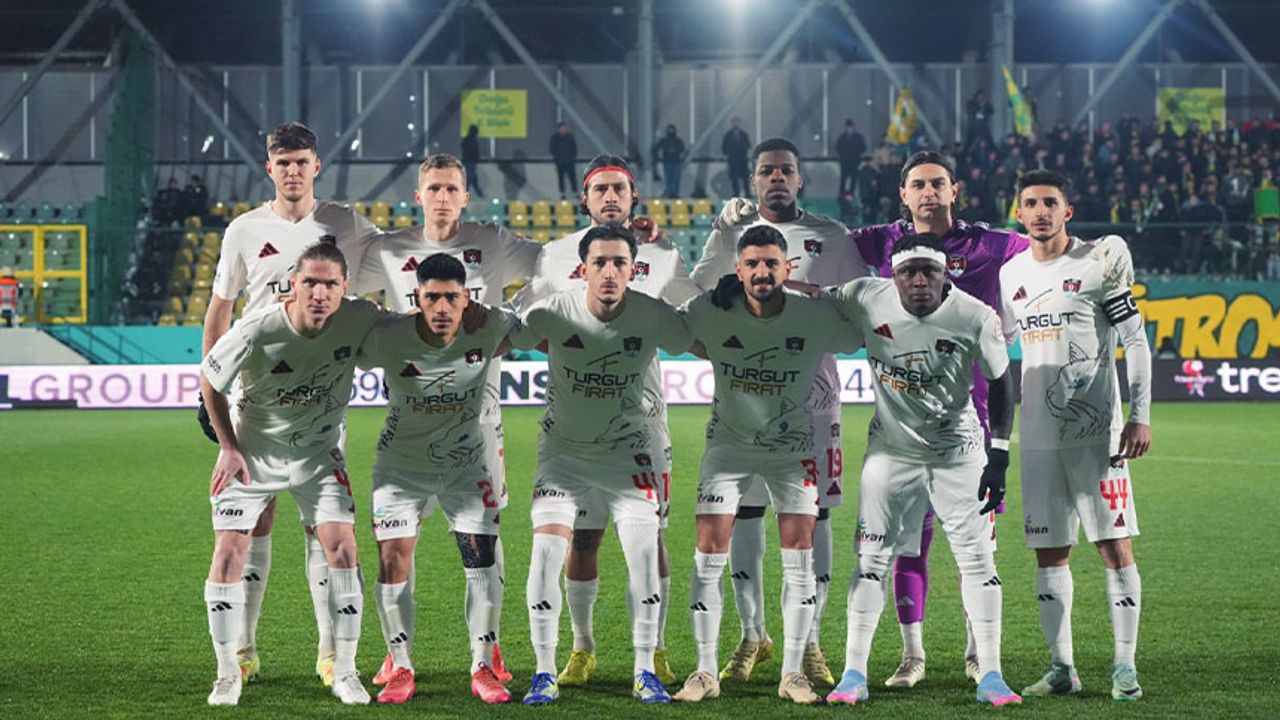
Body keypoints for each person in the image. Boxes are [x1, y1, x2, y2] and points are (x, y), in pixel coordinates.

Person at [200, 121, 379, 690]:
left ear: (316, 166)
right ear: (270, 168)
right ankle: (243, 649)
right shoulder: (244, 230)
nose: (293, 171)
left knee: (321, 528)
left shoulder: (347, 225)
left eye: (302, 161)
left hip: (320, 394)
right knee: (255, 523)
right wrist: (211, 394)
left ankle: (331, 652)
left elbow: (394, 262)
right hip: (257, 392)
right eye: (284, 163)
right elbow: (221, 308)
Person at [515, 154, 698, 689]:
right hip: (574, 426)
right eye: (601, 190)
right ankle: (581, 648)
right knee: (582, 540)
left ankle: (655, 650)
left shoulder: (661, 253)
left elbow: (690, 313)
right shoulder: (555, 255)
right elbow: (530, 319)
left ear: (634, 197)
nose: (611, 197)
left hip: (642, 424)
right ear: (585, 199)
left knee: (652, 539)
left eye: (620, 188)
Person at [846, 150, 1028, 688]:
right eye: (919, 184)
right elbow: (815, 246)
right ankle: (912, 655)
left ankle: (978, 654)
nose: (929, 192)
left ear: (955, 190)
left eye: (938, 183)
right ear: (903, 194)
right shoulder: (880, 242)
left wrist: (1096, 251)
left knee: (979, 550)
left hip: (971, 424)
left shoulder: (991, 244)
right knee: (909, 545)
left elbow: (1048, 246)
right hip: (903, 430)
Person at [357, 152, 539, 687]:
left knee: (482, 538)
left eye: (451, 188)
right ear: (418, 196)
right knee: (397, 545)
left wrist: (515, 309)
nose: (442, 197)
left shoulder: (493, 242)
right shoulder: (389, 249)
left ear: (465, 196)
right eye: (433, 188)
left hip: (479, 418)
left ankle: (488, 647)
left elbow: (554, 266)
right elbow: (335, 278)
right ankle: (397, 655)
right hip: (411, 414)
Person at [693, 137, 869, 687]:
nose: (776, 178)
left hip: (815, 403)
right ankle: (753, 634)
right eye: (766, 170)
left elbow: (859, 305)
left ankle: (810, 640)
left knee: (815, 519)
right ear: (753, 180)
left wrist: (789, 286)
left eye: (785, 170)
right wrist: (720, 235)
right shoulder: (733, 233)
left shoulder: (831, 237)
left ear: (800, 179)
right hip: (745, 402)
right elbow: (698, 293)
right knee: (745, 516)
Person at [672, 225, 858, 706]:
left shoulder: (812, 316)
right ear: (737, 269)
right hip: (727, 450)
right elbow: (670, 328)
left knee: (799, 561)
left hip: (792, 452)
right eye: (752, 264)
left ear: (787, 268)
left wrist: (817, 292)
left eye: (772, 263)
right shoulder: (711, 311)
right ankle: (705, 670)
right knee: (707, 557)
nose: (761, 272)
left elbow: (861, 327)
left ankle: (792, 673)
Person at [1002, 169, 1152, 702]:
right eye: (1030, 203)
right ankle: (1062, 667)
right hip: (1038, 438)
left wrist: (1140, 415)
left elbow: (1136, 340)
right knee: (1049, 552)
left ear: (1067, 211)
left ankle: (1125, 667)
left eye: (1050, 202)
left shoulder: (1099, 264)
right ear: (1018, 213)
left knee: (1114, 547)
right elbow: (999, 343)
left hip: (1098, 437)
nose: (1040, 211)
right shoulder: (1011, 274)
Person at [653, 124, 686, 199]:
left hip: (676, 163)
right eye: (669, 130)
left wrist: (676, 151)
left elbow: (682, 150)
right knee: (669, 179)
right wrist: (657, 158)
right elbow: (655, 149)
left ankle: (675, 193)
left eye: (672, 130)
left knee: (676, 179)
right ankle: (671, 193)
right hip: (667, 163)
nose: (670, 131)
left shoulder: (678, 141)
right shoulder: (664, 140)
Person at [722, 117, 752, 198]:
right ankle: (736, 193)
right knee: (734, 177)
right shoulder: (728, 135)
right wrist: (727, 155)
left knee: (745, 177)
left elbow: (748, 145)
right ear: (731, 123)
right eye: (733, 122)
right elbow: (724, 147)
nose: (735, 124)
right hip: (733, 159)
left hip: (742, 158)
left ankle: (747, 193)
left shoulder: (744, 134)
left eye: (736, 122)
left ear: (739, 123)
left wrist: (746, 154)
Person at [836, 120, 867, 196]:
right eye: (848, 128)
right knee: (843, 179)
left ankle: (851, 194)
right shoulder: (842, 137)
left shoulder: (858, 137)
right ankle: (842, 194)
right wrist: (843, 154)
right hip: (844, 162)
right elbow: (837, 148)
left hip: (855, 162)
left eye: (851, 128)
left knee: (854, 179)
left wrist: (857, 152)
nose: (850, 129)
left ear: (854, 128)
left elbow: (863, 147)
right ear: (845, 128)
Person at [550, 122, 578, 198]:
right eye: (562, 128)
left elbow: (574, 148)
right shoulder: (555, 138)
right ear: (559, 129)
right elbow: (552, 149)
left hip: (570, 162)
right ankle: (562, 194)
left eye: (565, 128)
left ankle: (575, 192)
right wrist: (557, 158)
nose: (564, 129)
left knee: (572, 177)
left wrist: (572, 157)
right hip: (560, 162)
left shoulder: (570, 137)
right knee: (561, 178)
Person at [461, 124, 484, 197]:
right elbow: (475, 152)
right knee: (470, 178)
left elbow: (463, 147)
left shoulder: (467, 139)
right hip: (470, 162)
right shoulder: (472, 140)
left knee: (473, 178)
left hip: (467, 161)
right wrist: (477, 158)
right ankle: (465, 194)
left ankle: (479, 193)